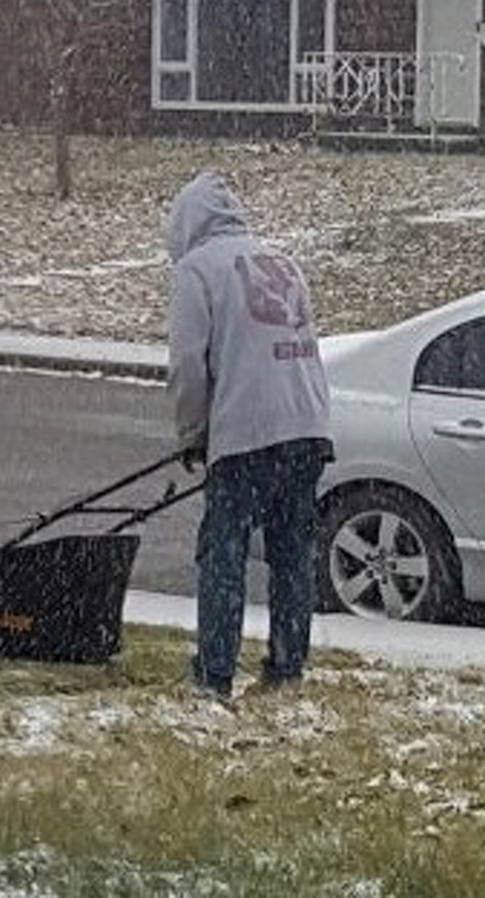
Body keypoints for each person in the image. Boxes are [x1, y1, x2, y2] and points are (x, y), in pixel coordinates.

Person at [166, 171, 333, 699]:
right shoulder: (280, 260)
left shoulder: (197, 271)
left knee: (223, 550)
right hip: (306, 425)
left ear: (186, 225)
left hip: (247, 432)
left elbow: (188, 367)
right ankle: (287, 667)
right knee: (290, 553)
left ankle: (214, 673)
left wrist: (193, 434)